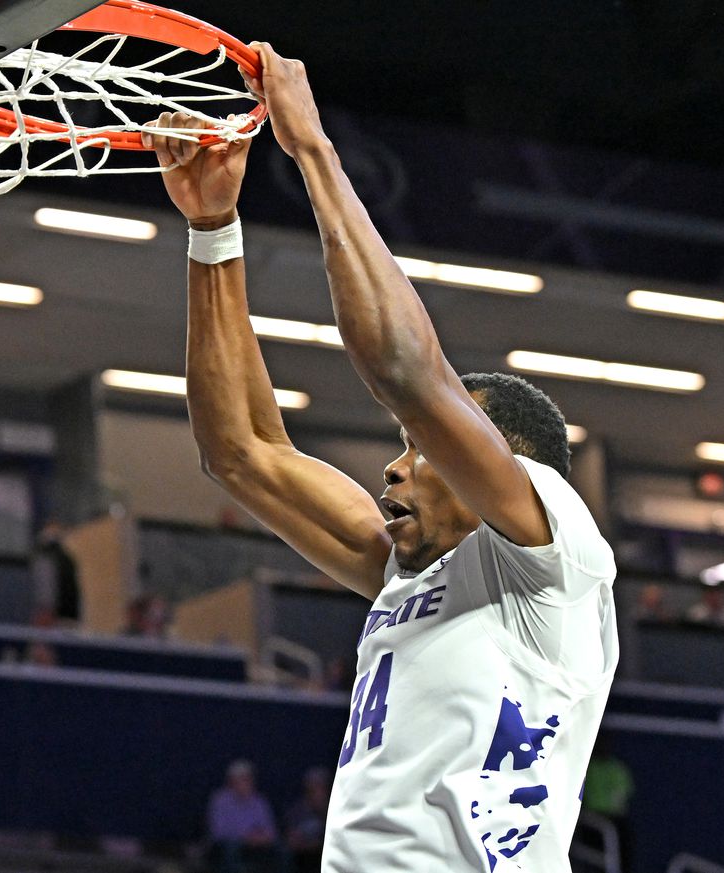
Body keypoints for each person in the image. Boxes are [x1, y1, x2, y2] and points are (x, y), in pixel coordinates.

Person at [147, 43, 618, 872]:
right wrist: (213, 229)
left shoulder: (554, 563)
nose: (393, 471)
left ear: (502, 465)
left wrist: (314, 153)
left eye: (421, 451)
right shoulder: (408, 573)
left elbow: (406, 371)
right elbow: (243, 453)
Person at [207, 760, 287, 873]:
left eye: (248, 778)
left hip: (258, 845)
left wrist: (263, 837)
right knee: (230, 849)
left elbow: (271, 830)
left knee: (282, 849)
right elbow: (218, 832)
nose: (246, 782)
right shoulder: (219, 800)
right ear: (231, 782)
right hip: (232, 845)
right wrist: (246, 836)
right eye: (241, 779)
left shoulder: (260, 801)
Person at [581, 734, 634, 871]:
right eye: (599, 742)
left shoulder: (617, 768)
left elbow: (622, 798)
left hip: (614, 819)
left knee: (622, 835)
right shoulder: (587, 768)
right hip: (590, 818)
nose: (602, 746)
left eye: (605, 742)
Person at [30, 521, 81, 623]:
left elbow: (47, 592)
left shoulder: (46, 557)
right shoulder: (67, 559)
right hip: (67, 615)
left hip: (53, 617)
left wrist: (45, 614)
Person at [282, 768, 330, 873]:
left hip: (327, 857)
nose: (316, 791)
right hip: (302, 859)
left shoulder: (333, 809)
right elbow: (291, 841)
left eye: (320, 786)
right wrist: (311, 845)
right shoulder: (297, 811)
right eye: (313, 787)